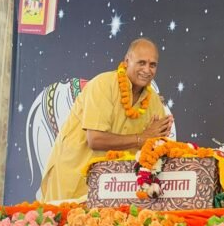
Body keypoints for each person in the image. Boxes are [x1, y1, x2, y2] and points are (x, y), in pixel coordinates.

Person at [40, 38, 173, 201]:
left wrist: (158, 141)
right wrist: (141, 138)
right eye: (141, 63)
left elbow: (154, 147)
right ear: (127, 61)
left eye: (152, 65)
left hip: (115, 187)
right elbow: (95, 139)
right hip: (75, 179)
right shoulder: (103, 85)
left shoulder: (154, 102)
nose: (147, 70)